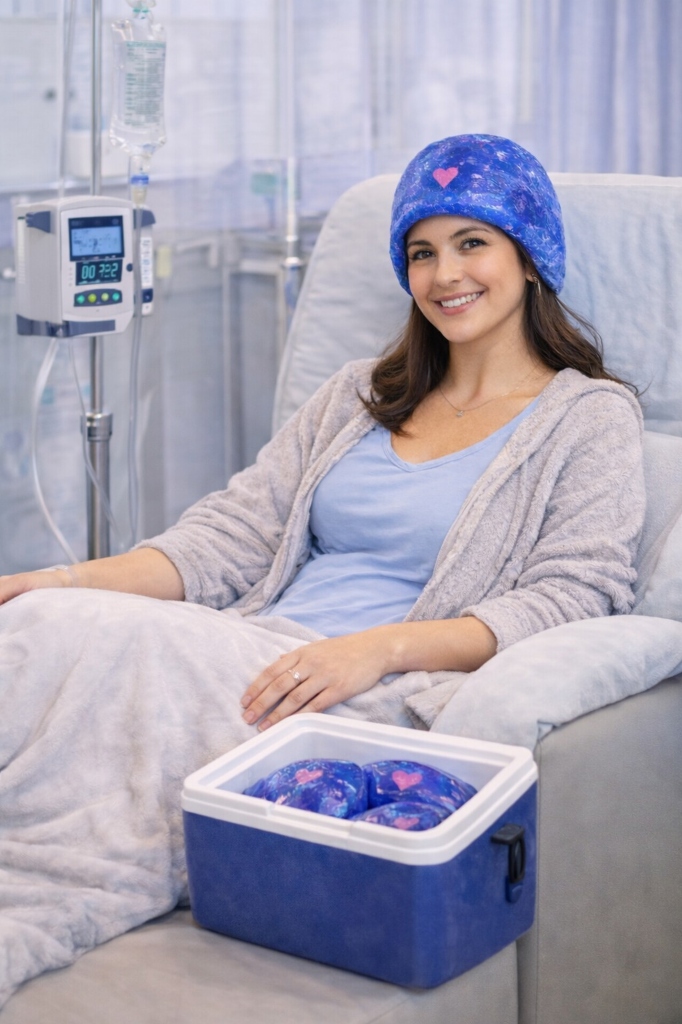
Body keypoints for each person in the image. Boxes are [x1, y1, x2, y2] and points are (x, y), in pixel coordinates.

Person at [0, 135, 644, 1004]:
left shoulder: (587, 418)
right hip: (252, 648)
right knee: (39, 620)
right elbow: (227, 538)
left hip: (358, 695)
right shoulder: (357, 394)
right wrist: (67, 581)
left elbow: (576, 595)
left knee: (71, 647)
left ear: (530, 257)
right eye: (422, 251)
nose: (444, 272)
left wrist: (377, 651)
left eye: (472, 242)